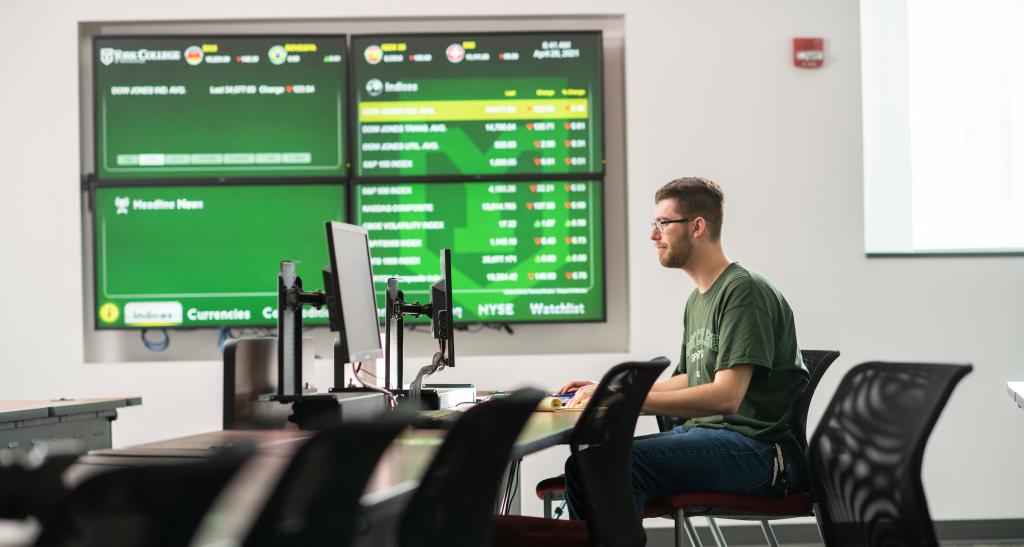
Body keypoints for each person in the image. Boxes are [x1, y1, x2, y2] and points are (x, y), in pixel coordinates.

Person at [558, 177, 809, 520]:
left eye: (662, 223)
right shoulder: (698, 300)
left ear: (697, 227)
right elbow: (693, 377)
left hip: (761, 453)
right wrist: (610, 390)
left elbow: (726, 396)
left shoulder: (743, 291)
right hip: (717, 438)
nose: (653, 235)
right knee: (586, 465)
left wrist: (627, 401)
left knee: (600, 467)